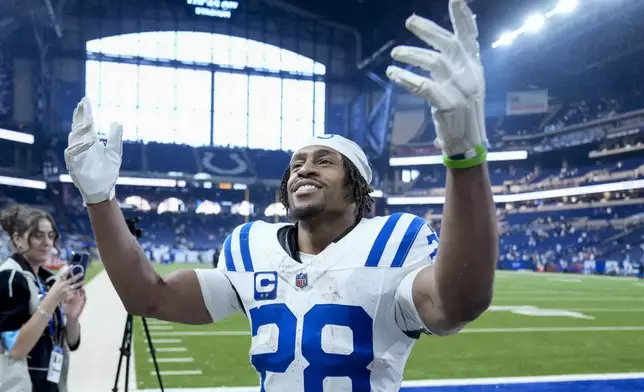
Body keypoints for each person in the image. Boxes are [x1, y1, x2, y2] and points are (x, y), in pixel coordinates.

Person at [63, 0, 498, 390]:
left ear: (359, 187)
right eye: (297, 162)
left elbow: (457, 302)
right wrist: (100, 200)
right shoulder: (251, 248)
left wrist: (464, 155)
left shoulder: (393, 241)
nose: (304, 168)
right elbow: (148, 297)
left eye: (324, 161)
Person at [0, 205, 86, 392]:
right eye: (38, 235)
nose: (47, 242)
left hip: (49, 383)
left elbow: (71, 343)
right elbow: (15, 348)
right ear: (17, 239)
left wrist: (71, 318)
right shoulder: (10, 277)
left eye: (51, 235)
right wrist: (52, 299)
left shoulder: (46, 280)